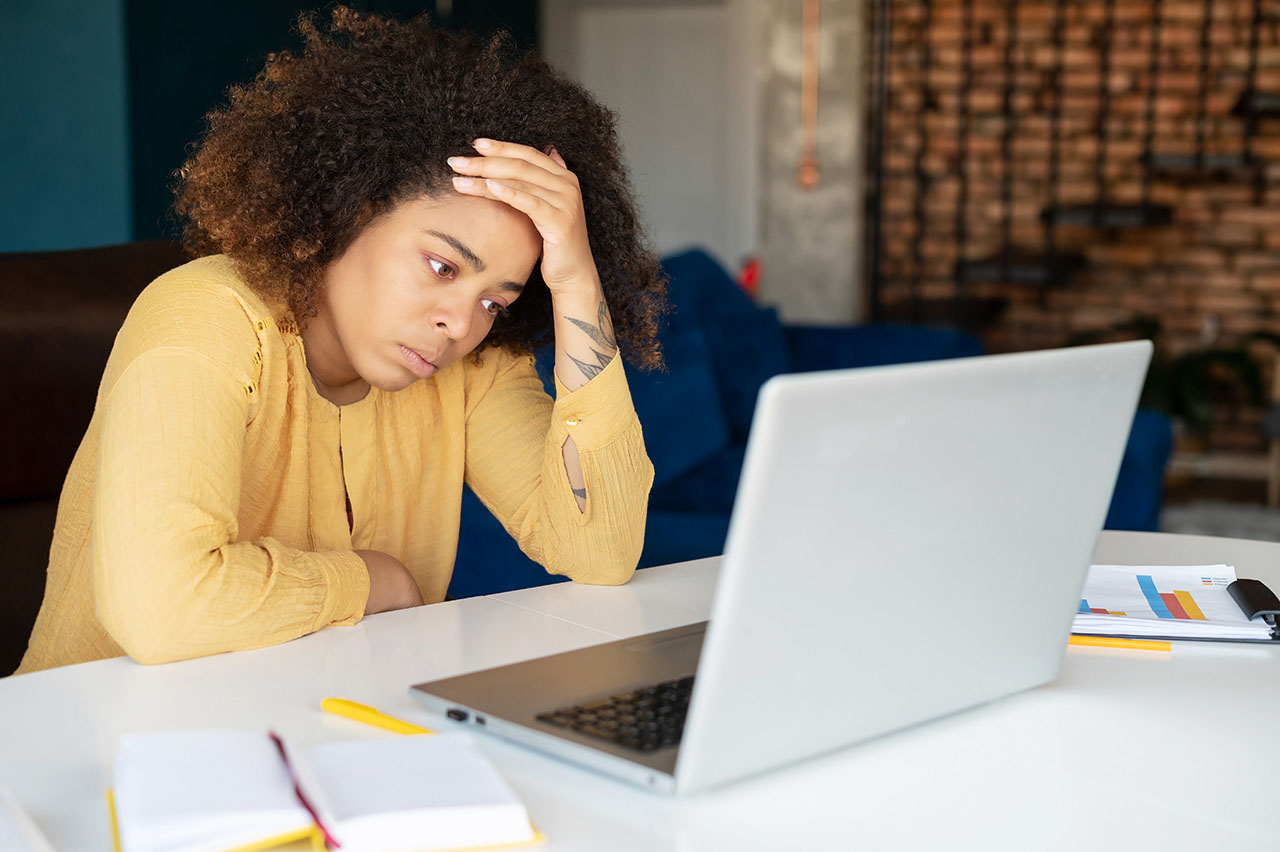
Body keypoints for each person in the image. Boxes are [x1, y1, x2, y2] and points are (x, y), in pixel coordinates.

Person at [15, 8, 665, 674]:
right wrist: (371, 580)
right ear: (351, 209)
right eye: (442, 266)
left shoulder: (471, 367)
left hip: (323, 736)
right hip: (92, 752)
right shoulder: (205, 316)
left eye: (495, 301)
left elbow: (601, 550)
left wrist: (577, 280)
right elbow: (160, 608)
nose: (461, 325)